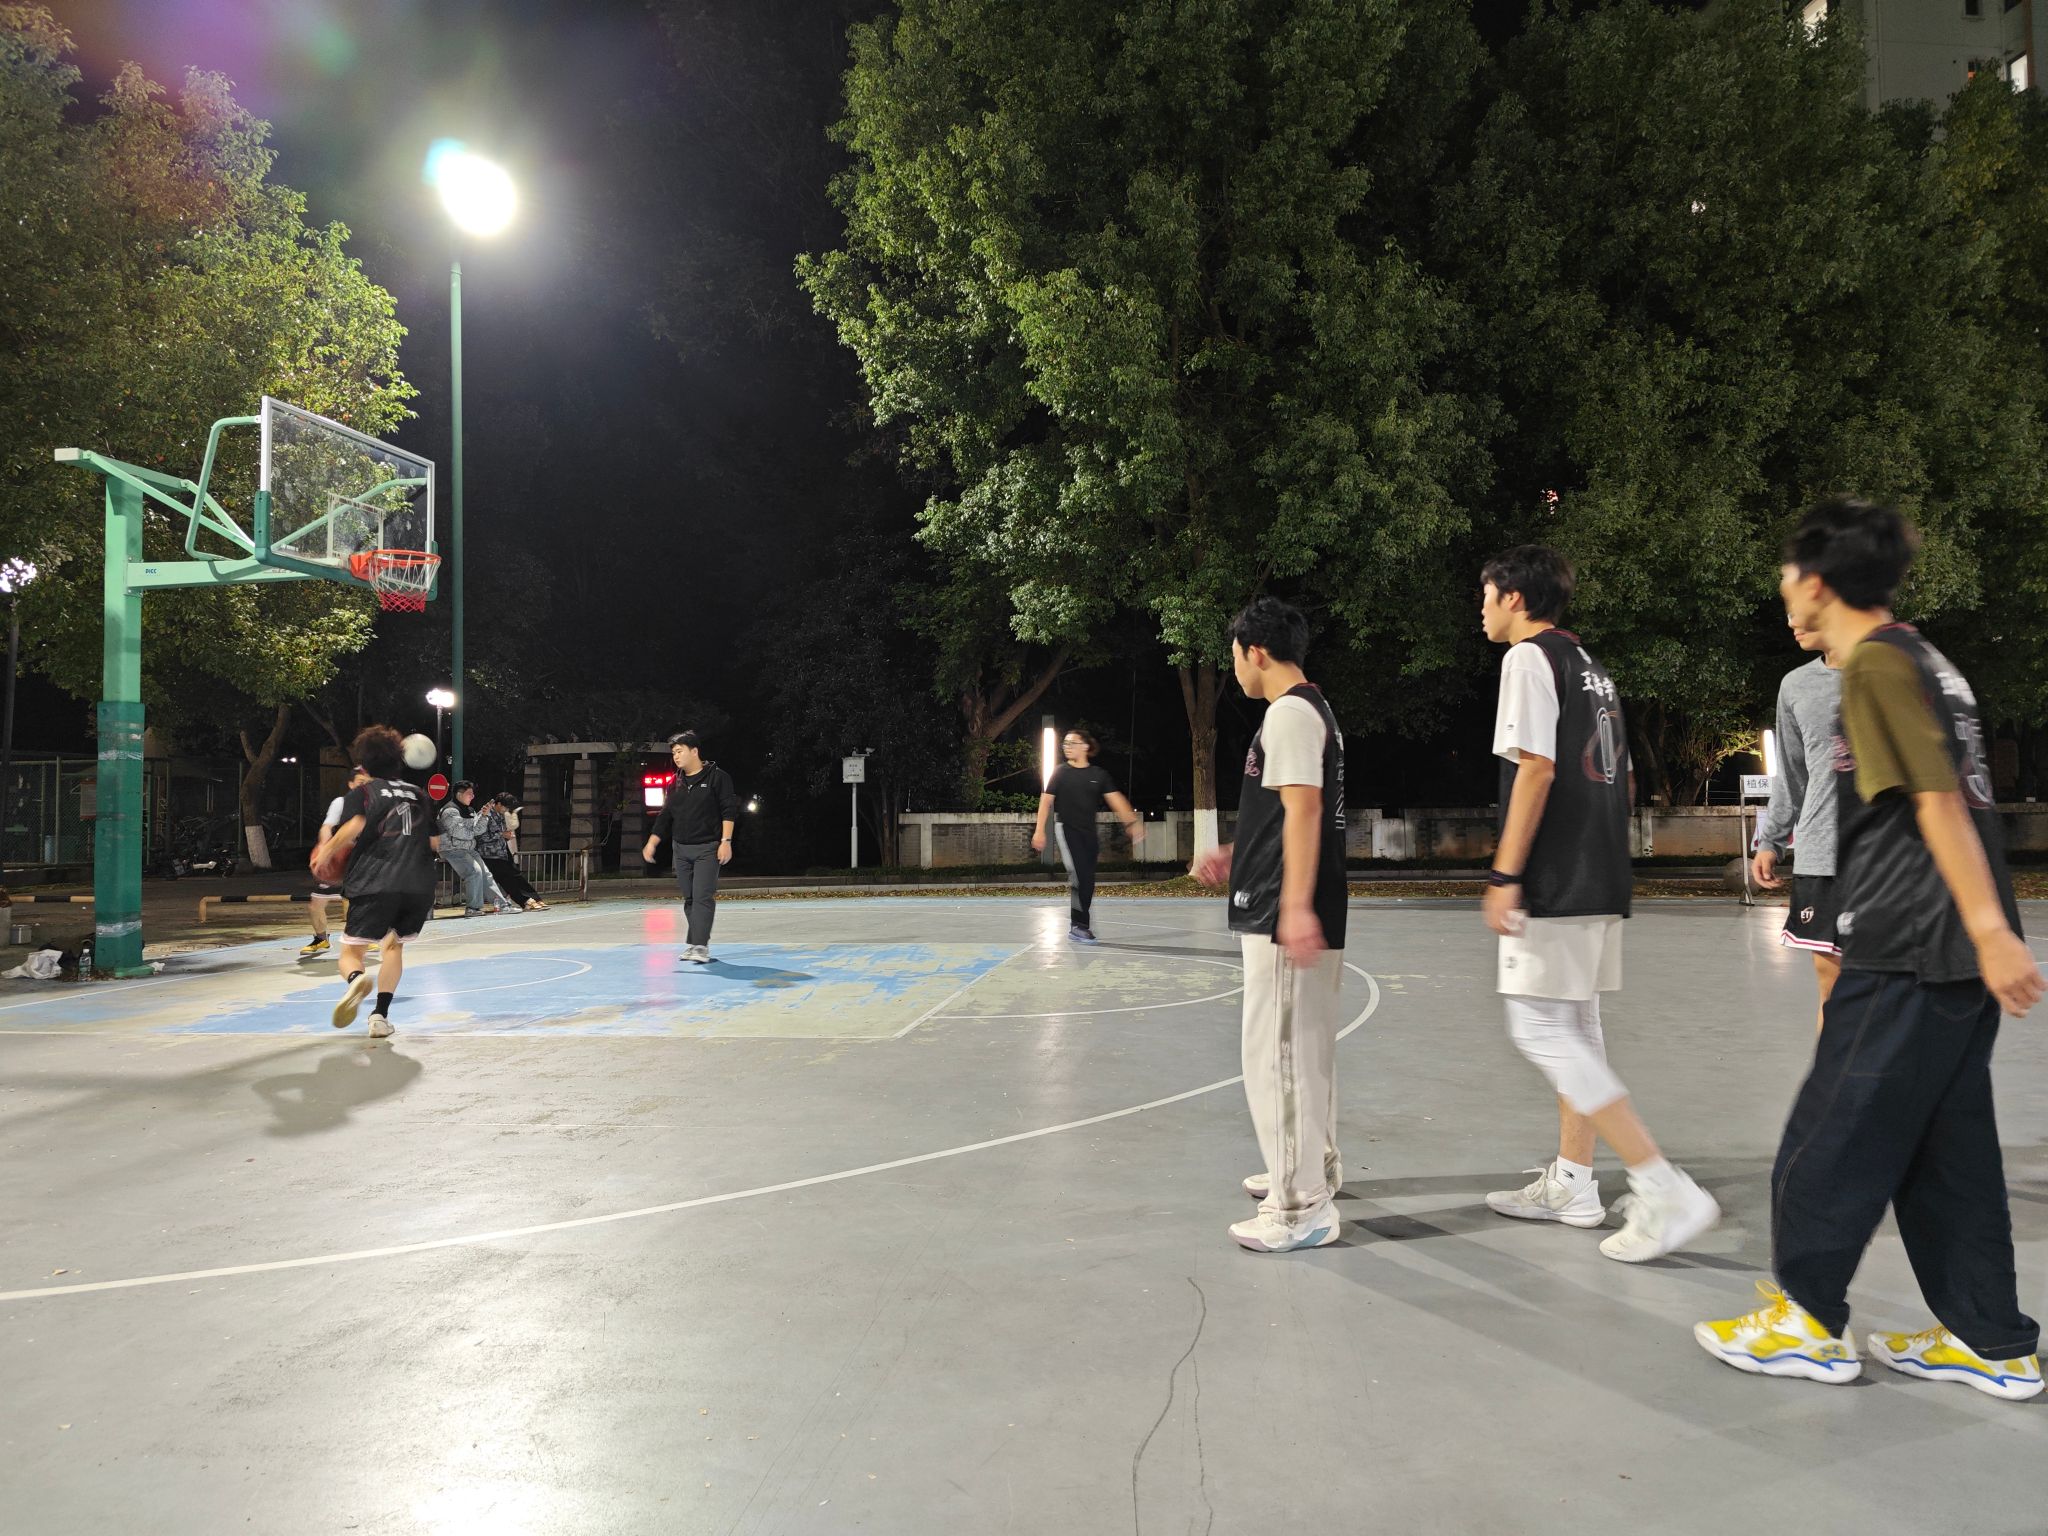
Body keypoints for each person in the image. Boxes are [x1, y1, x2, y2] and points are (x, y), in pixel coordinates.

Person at [1697, 499, 2043, 1399]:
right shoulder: (1925, 660)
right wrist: (1988, 933)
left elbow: (1938, 803)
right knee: (1948, 1154)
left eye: (1788, 575)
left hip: (1907, 944)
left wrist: (1988, 932)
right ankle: (1992, 1340)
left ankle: (1807, 1323)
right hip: (1948, 950)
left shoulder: (1879, 667)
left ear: (1817, 581)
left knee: (1830, 1130)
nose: (1784, 591)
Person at [1478, 545, 1719, 1263]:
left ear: (1514, 597)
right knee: (1575, 1029)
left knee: (1538, 1029)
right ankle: (1574, 1182)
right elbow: (1622, 776)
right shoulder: (1591, 667)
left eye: (1485, 595)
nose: (1481, 609)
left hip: (1557, 874)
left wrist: (1505, 872)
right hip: (1600, 869)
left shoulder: (1528, 659)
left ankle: (1662, 1185)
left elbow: (1537, 769)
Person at [1190, 596, 1348, 1254]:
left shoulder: (1288, 713)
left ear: (1255, 651)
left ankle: (1298, 1206)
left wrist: (1294, 906)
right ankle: (1311, 1169)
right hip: (1295, 899)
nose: (1235, 670)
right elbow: (1288, 812)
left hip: (1284, 911)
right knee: (1305, 1053)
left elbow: (1306, 810)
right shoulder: (1313, 709)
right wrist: (1239, 850)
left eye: (1234, 656)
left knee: (1276, 1057)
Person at [315, 725, 440, 1039]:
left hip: (375, 880)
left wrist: (326, 852)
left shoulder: (363, 793)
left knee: (351, 952)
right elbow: (435, 843)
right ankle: (380, 1017)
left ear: (364, 764)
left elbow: (355, 825)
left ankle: (356, 979)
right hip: (417, 886)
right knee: (393, 947)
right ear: (400, 760)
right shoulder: (420, 795)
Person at [1751, 617, 1844, 1030]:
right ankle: (1835, 1073)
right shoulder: (1797, 685)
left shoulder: (1896, 671)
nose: (1791, 619)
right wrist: (1771, 840)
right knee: (1834, 994)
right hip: (1821, 857)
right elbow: (1792, 774)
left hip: (1888, 859)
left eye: (1801, 605)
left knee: (1893, 991)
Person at [1032, 727, 1143, 941]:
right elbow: (1045, 802)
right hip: (1067, 830)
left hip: (1089, 834)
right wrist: (1039, 831)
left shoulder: (1098, 775)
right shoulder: (1060, 773)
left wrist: (1131, 822)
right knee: (1080, 877)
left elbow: (1116, 799)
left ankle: (1081, 924)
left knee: (1088, 880)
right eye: (1065, 743)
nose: (1067, 747)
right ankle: (1079, 925)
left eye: (1071, 743)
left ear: (1085, 746)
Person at [641, 730, 739, 964]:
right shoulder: (674, 783)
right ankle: (695, 943)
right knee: (690, 899)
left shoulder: (718, 777)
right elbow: (665, 816)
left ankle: (701, 946)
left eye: (679, 751)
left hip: (708, 847)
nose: (676, 756)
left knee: (702, 896)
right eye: (673, 753)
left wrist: (726, 842)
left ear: (694, 751)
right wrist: (652, 842)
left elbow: (729, 810)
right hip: (681, 849)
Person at [300, 764, 368, 959]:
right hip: (340, 857)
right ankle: (321, 938)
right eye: (360, 783)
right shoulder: (341, 802)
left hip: (363, 859)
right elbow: (326, 827)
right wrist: (324, 847)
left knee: (355, 900)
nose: (364, 787)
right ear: (350, 784)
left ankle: (363, 936)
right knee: (316, 904)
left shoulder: (376, 803)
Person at [436, 782, 503, 916]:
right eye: (469, 794)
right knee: (474, 872)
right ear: (459, 794)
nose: (472, 796)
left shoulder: (470, 810)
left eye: (473, 793)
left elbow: (479, 830)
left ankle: (501, 905)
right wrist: (473, 831)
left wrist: (484, 815)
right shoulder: (450, 810)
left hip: (468, 848)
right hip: (452, 849)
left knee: (486, 874)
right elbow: (459, 832)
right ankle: (473, 908)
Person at [480, 793, 545, 911]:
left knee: (515, 875)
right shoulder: (486, 814)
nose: (506, 810)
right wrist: (502, 835)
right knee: (506, 879)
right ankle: (525, 901)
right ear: (499, 804)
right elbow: (480, 836)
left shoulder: (500, 815)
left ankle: (534, 898)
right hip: (490, 854)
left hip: (502, 851)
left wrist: (506, 836)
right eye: (505, 807)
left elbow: (502, 831)